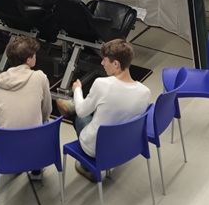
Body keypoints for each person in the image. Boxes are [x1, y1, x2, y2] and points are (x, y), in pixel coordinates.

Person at [62, 38, 149, 181]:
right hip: (125, 146)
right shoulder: (145, 92)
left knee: (78, 113)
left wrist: (77, 90)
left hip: (96, 149)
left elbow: (82, 112)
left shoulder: (102, 84)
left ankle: (87, 166)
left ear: (116, 64)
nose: (102, 63)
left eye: (105, 60)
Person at [0, 36, 53, 180]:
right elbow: (46, 110)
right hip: (34, 142)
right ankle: (36, 170)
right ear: (28, 59)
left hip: (8, 145)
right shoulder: (40, 77)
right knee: (45, 121)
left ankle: (16, 164)